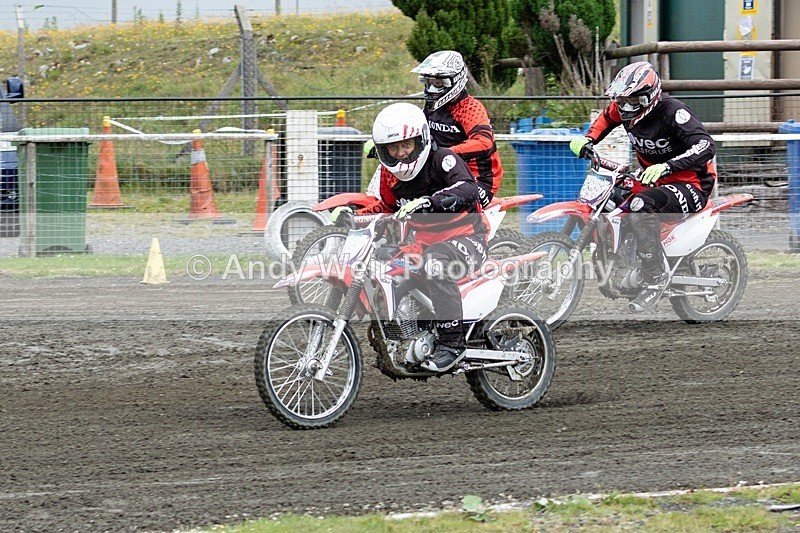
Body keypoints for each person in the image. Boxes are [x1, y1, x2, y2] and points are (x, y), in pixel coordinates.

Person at [331, 102, 488, 372]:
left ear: (421, 141)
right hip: (424, 243)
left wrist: (431, 201)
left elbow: (468, 188)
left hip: (468, 237)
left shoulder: (443, 158)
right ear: (384, 150)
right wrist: (354, 215)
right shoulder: (388, 174)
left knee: (435, 263)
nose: (401, 154)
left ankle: (453, 342)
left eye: (407, 145)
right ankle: (406, 332)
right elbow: (386, 207)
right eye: (393, 148)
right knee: (383, 261)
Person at [569, 61, 717, 312]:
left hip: (691, 184)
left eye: (632, 101)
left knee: (639, 206)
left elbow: (706, 145)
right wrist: (588, 139)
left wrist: (668, 166)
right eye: (622, 100)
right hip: (653, 179)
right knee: (612, 197)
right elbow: (606, 118)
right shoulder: (624, 108)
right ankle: (626, 261)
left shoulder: (673, 112)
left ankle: (655, 276)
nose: (625, 107)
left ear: (649, 96)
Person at [411, 50, 504, 208]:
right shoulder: (432, 105)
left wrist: (444, 153)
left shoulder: (470, 108)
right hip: (443, 171)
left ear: (454, 80)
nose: (432, 88)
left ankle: (476, 232)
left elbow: (484, 142)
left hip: (478, 178)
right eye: (428, 82)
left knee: (446, 206)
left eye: (438, 83)